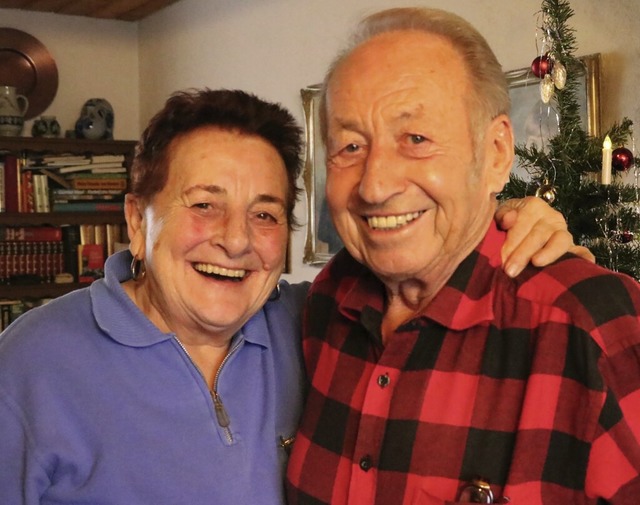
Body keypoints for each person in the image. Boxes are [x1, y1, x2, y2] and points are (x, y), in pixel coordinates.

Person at [0, 88, 586, 503]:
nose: (235, 241)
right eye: (204, 205)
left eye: (265, 213)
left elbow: (432, 270)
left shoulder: (320, 321)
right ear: (136, 218)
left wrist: (509, 226)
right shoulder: (32, 363)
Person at [286, 7, 640, 505]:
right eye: (349, 146)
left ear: (495, 153)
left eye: (416, 139)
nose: (375, 184)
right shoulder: (324, 304)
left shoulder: (589, 325)